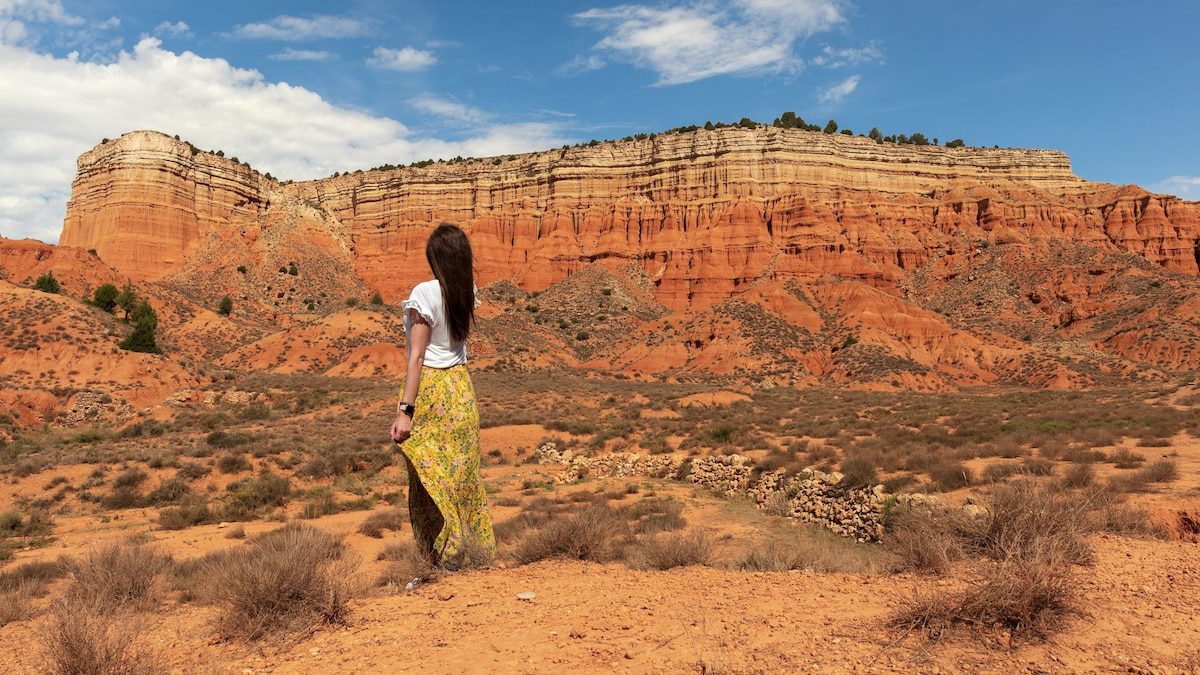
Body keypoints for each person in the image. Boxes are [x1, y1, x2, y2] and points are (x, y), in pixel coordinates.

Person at [389, 224, 495, 570]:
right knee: (462, 478)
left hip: (432, 392)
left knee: (428, 480)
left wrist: (405, 411)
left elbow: (417, 357)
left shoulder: (424, 293)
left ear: (435, 257)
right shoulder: (467, 291)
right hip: (461, 391)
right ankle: (471, 553)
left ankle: (442, 557)